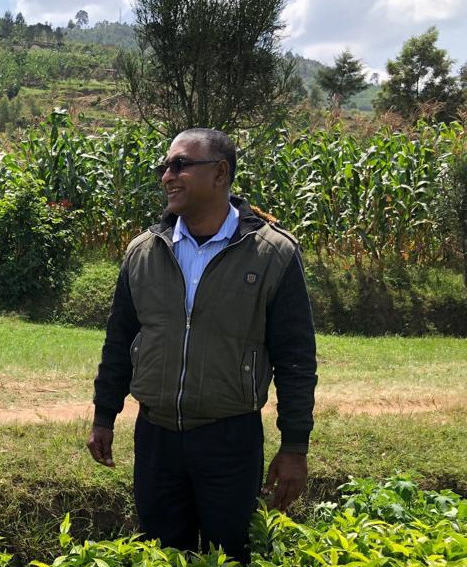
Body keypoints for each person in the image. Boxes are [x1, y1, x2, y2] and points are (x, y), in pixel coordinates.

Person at [87, 128, 317, 564]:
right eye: (165, 167)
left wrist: (294, 448)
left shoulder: (272, 254)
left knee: (229, 555)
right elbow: (119, 341)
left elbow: (296, 361)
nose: (168, 176)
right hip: (156, 438)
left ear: (220, 173)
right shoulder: (144, 252)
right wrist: (104, 416)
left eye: (180, 165)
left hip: (229, 440)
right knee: (161, 554)